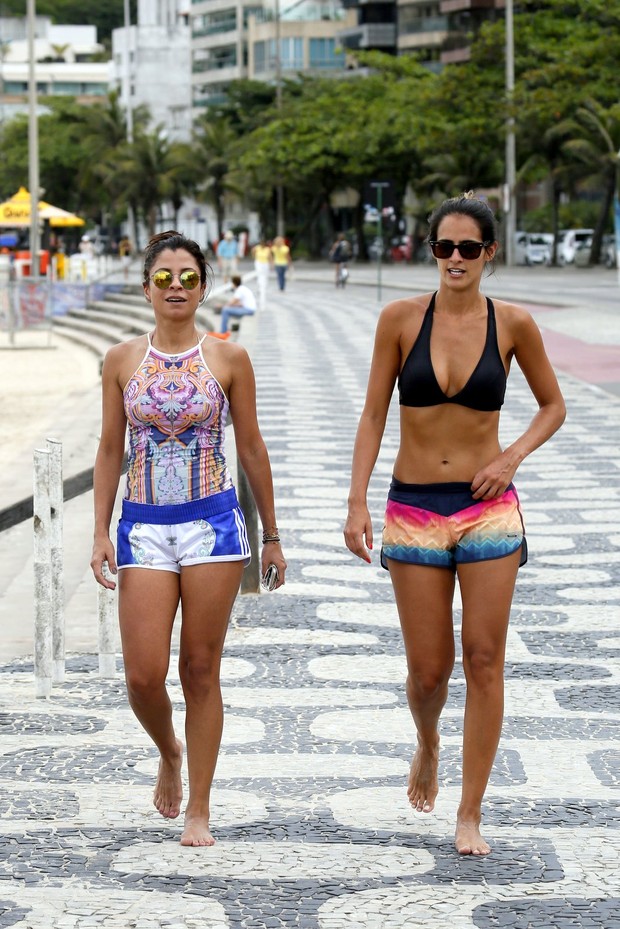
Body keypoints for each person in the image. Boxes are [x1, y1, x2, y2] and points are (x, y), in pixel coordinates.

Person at [343, 193, 566, 857]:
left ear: (489, 253)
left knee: (485, 658)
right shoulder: (400, 319)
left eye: (469, 248)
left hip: (487, 509)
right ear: (430, 249)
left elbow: (554, 406)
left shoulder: (514, 323)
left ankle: (470, 812)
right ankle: (428, 740)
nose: (456, 259)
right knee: (429, 671)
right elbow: (374, 415)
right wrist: (356, 501)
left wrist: (511, 456)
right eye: (445, 247)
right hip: (413, 507)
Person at [90, 230, 287, 848]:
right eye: (164, 277)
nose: (176, 287)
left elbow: (251, 447)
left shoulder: (228, 359)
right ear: (146, 285)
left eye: (188, 277)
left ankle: (200, 803)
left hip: (212, 524)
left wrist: (273, 537)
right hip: (143, 525)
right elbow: (108, 448)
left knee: (200, 669)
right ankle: (168, 749)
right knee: (144, 677)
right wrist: (100, 530)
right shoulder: (121, 359)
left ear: (205, 285)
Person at [252, 238, 272, 311]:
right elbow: (253, 252)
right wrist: (254, 256)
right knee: (260, 275)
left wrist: (271, 264)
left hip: (265, 263)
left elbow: (270, 257)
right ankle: (260, 284)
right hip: (259, 263)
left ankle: (263, 284)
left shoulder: (267, 249)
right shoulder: (257, 248)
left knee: (265, 275)